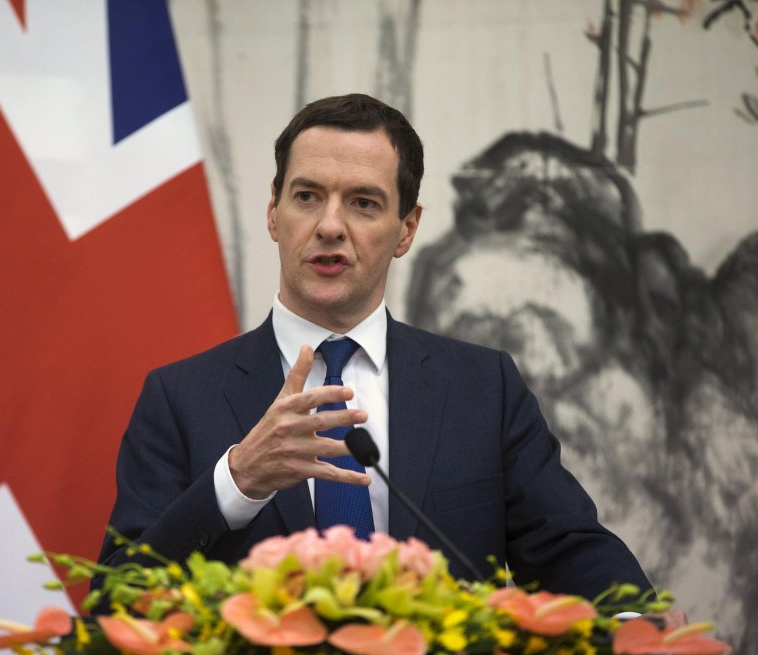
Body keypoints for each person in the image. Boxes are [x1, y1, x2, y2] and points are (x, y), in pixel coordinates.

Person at [97, 93, 652, 600]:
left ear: (406, 229)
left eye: (363, 203)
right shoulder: (179, 397)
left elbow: (566, 546)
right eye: (307, 196)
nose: (329, 226)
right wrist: (237, 479)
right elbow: (118, 599)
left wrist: (638, 627)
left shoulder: (484, 387)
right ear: (273, 214)